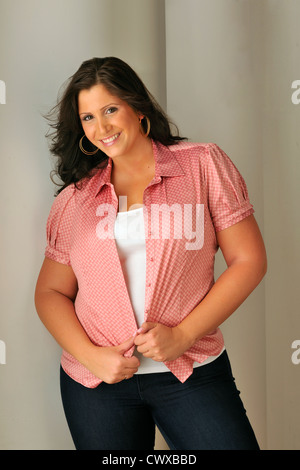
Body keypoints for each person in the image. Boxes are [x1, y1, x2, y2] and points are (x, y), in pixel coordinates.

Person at [35, 57, 267, 450]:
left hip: (191, 369)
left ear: (137, 106)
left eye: (110, 109)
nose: (102, 127)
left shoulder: (202, 164)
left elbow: (249, 261)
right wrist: (91, 357)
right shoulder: (75, 199)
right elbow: (50, 293)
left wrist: (183, 334)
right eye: (88, 117)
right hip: (97, 383)